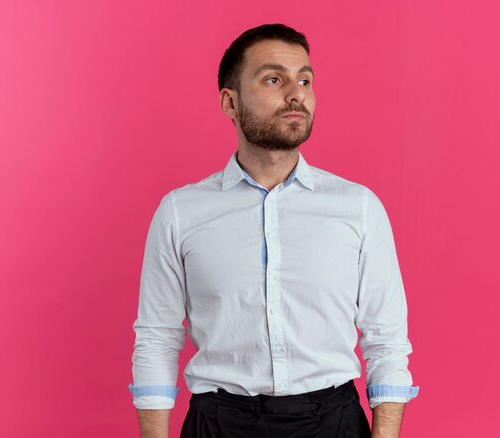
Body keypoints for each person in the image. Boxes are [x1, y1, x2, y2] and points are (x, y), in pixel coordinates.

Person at [128, 23, 419, 438]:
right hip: (218, 423)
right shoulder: (180, 212)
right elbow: (156, 337)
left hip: (331, 421)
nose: (296, 93)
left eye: (304, 79)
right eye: (273, 79)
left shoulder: (359, 208)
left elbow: (386, 340)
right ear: (230, 102)